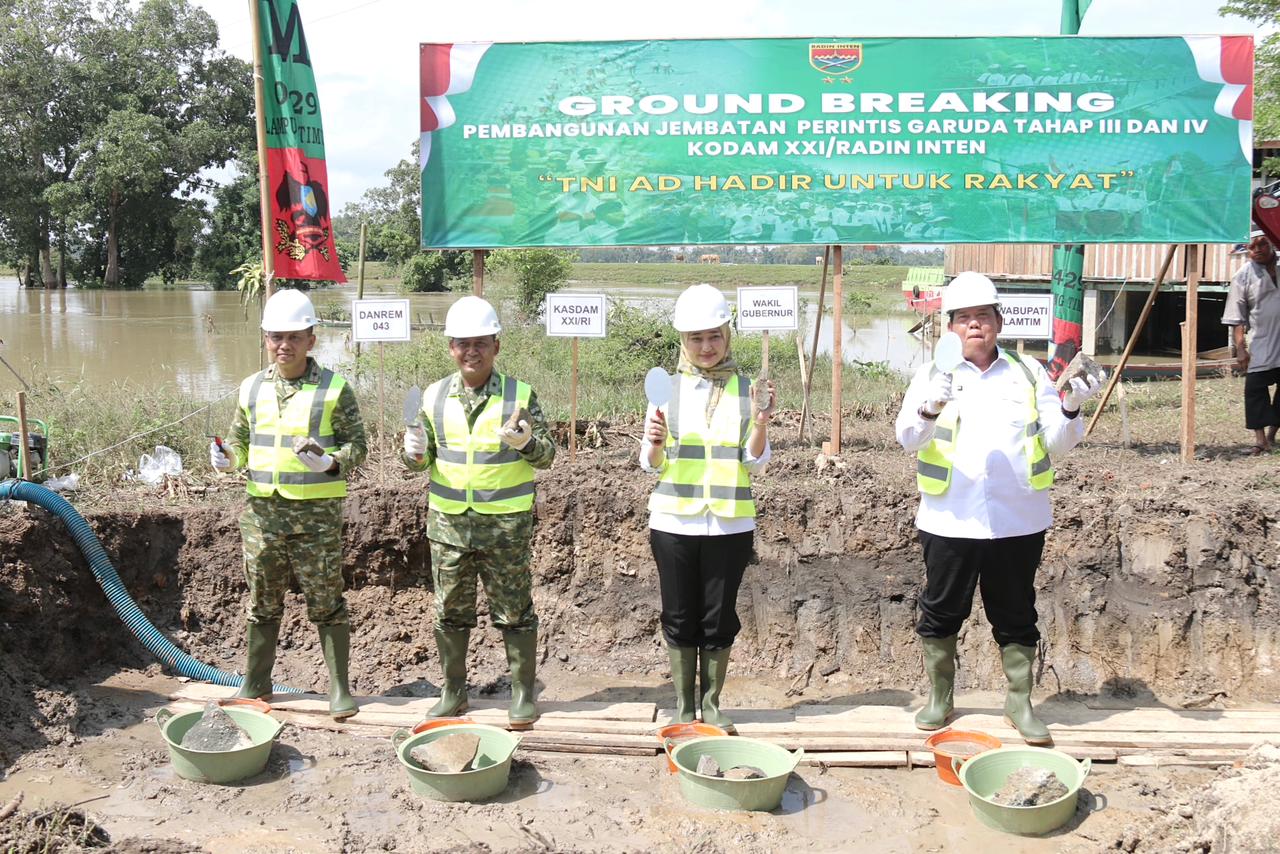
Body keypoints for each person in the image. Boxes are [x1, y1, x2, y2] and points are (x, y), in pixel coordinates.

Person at [894, 272, 1103, 745]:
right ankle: (940, 699)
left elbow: (1057, 442)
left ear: (999, 322)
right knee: (942, 610)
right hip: (949, 518)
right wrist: (929, 407)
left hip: (1017, 519)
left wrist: (1070, 409)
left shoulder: (1028, 373)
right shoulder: (931, 376)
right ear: (949, 327)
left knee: (1015, 612)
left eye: (982, 317)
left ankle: (1019, 702)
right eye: (963, 318)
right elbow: (906, 438)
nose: (974, 326)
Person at [210, 288, 367, 719]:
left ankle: (339, 689)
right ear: (265, 339)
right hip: (262, 514)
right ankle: (257, 684)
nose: (284, 345)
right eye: (276, 336)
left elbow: (359, 446)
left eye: (294, 337)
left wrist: (332, 463)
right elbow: (240, 441)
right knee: (262, 599)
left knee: (326, 600)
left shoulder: (334, 388)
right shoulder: (251, 388)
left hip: (316, 516)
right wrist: (227, 459)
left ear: (311, 339)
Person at [403, 296, 556, 728]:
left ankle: (523, 693)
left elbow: (546, 456)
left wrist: (527, 443)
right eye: (462, 344)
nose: (472, 352)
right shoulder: (433, 396)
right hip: (449, 525)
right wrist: (412, 454)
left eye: (481, 343)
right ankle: (454, 693)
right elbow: (422, 457)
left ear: (496, 346)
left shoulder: (519, 395)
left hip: (505, 528)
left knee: (515, 610)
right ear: (450, 347)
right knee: (449, 610)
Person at [641, 284, 775, 731]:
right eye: (696, 338)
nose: (706, 347)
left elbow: (754, 459)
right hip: (674, 521)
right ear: (683, 340)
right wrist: (656, 445)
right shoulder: (666, 390)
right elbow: (651, 462)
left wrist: (760, 421)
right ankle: (683, 705)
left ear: (727, 335)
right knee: (679, 615)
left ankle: (712, 704)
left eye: (714, 336)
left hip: (729, 523)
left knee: (719, 618)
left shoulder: (747, 389)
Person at [1223, 233, 1280, 454]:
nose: (1257, 249)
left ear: (1270, 243)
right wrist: (1240, 348)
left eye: (1262, 244)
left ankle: (1271, 435)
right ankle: (1259, 440)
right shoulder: (1243, 275)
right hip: (1261, 340)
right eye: (1251, 246)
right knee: (1255, 388)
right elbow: (1237, 316)